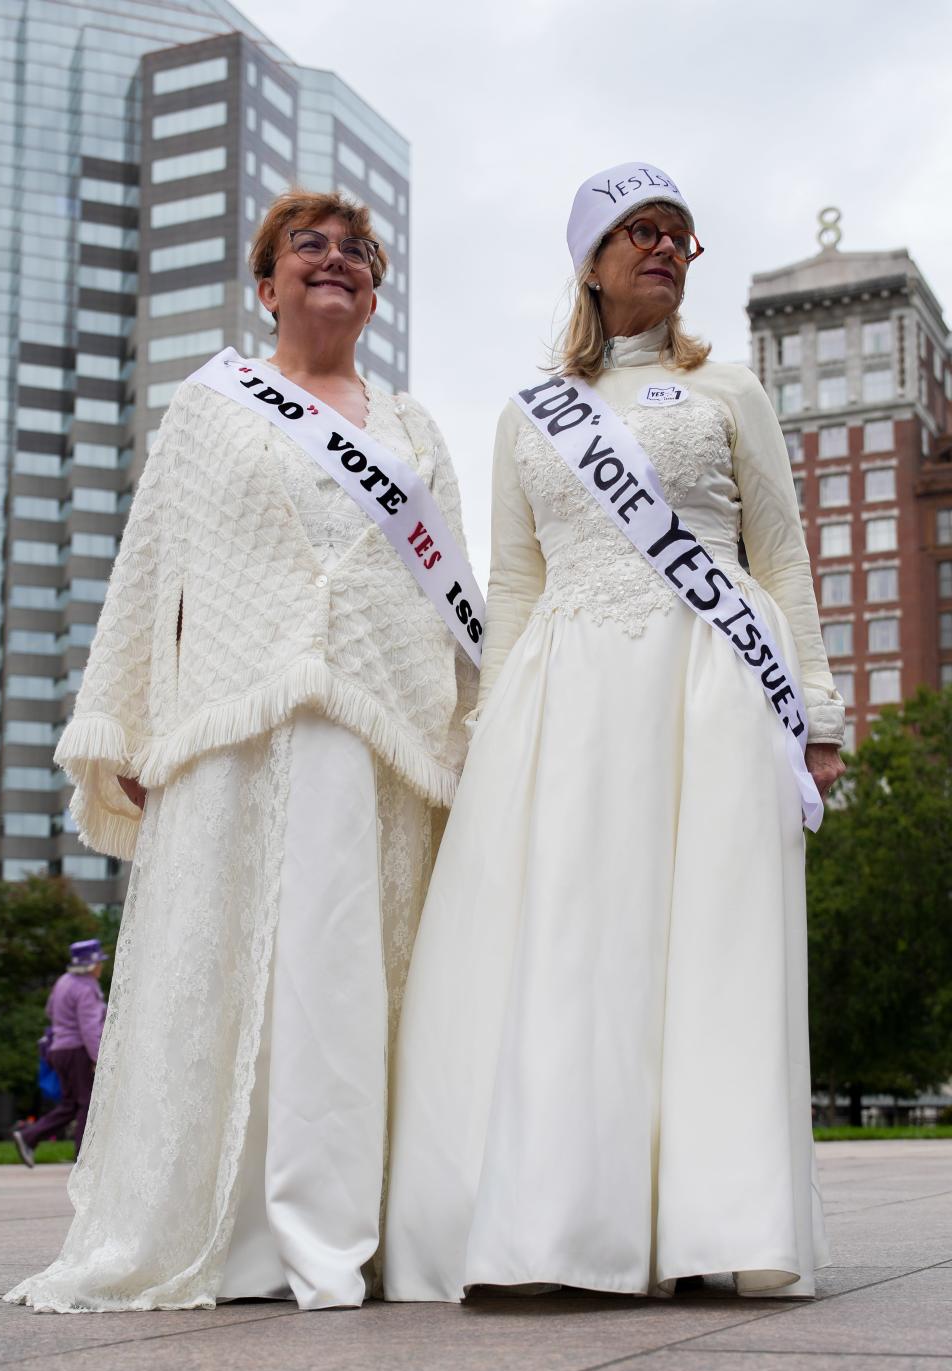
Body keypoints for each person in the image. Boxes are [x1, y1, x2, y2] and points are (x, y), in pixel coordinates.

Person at [385, 162, 846, 1303]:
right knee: (577, 946)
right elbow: (514, 582)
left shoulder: (731, 390)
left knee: (709, 943)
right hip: (564, 697)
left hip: (711, 685)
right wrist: (493, 730)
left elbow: (779, 563)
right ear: (589, 260)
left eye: (679, 235)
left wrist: (819, 715)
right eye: (639, 230)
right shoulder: (524, 414)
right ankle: (563, 1224)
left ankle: (711, 1225)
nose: (663, 248)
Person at [7, 190, 474, 1314]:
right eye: (308, 248)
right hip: (234, 721)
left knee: (349, 975)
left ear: (375, 293)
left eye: (358, 252)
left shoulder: (413, 432)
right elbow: (152, 563)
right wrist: (122, 718)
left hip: (378, 734)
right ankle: (230, 1233)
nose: (336, 261)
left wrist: (476, 734)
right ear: (266, 286)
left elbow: (457, 609)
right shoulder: (210, 407)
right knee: (227, 969)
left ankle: (342, 1231)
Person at [12, 940, 108, 1166]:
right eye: (98, 963)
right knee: (86, 1103)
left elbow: (49, 1010)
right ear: (90, 965)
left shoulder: (64, 981)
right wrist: (97, 1058)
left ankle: (28, 1137)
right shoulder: (87, 988)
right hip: (78, 1052)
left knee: (70, 1104)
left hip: (59, 1050)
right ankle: (84, 1158)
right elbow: (90, 1028)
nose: (101, 967)